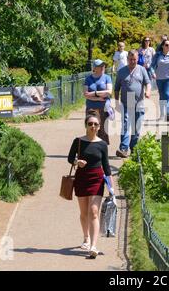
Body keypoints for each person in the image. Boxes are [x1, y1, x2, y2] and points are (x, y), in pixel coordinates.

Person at [67, 110, 114, 259]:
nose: (93, 126)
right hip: (81, 178)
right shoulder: (78, 141)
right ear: (86, 126)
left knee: (93, 211)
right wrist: (77, 162)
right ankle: (86, 238)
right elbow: (69, 158)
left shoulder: (102, 144)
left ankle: (93, 246)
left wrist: (111, 187)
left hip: (97, 179)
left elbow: (106, 166)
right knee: (84, 213)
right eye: (90, 124)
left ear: (99, 127)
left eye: (95, 124)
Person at [114, 50, 151, 158]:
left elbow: (148, 83)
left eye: (134, 59)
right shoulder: (121, 71)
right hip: (126, 101)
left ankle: (134, 148)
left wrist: (148, 91)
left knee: (137, 127)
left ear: (137, 59)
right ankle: (123, 149)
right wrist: (116, 103)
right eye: (130, 59)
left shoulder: (142, 69)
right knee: (125, 125)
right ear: (127, 59)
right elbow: (116, 89)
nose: (132, 61)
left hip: (139, 102)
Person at [83, 59, 112, 144]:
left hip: (103, 107)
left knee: (102, 129)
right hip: (91, 107)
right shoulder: (88, 79)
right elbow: (85, 94)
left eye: (103, 65)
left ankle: (102, 147)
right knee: (91, 127)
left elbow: (109, 92)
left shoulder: (107, 77)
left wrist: (94, 93)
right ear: (95, 68)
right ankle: (89, 146)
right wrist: (98, 98)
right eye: (100, 66)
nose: (103, 67)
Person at [151, 39, 169, 121]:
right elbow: (151, 66)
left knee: (167, 95)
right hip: (159, 79)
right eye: (167, 45)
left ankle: (167, 114)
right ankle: (162, 115)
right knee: (162, 96)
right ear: (163, 46)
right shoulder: (157, 55)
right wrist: (153, 73)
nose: (168, 46)